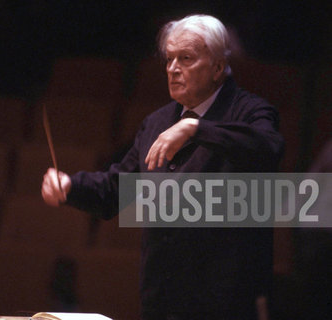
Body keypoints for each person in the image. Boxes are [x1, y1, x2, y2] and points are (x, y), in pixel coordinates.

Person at [42, 14, 284, 320]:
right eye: (169, 59)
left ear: (218, 67)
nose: (172, 69)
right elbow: (118, 189)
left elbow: (268, 147)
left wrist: (196, 129)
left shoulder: (250, 110)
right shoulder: (156, 122)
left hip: (226, 300)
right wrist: (70, 187)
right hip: (162, 298)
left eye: (185, 58)